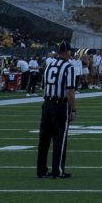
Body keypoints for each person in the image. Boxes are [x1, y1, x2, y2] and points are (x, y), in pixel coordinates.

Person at [36, 41, 79, 179]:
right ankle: (58, 170)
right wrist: (73, 109)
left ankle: (41, 170)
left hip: (47, 104)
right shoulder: (68, 67)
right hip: (60, 105)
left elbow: (42, 87)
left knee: (44, 140)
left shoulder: (49, 65)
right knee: (59, 139)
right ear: (66, 53)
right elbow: (70, 91)